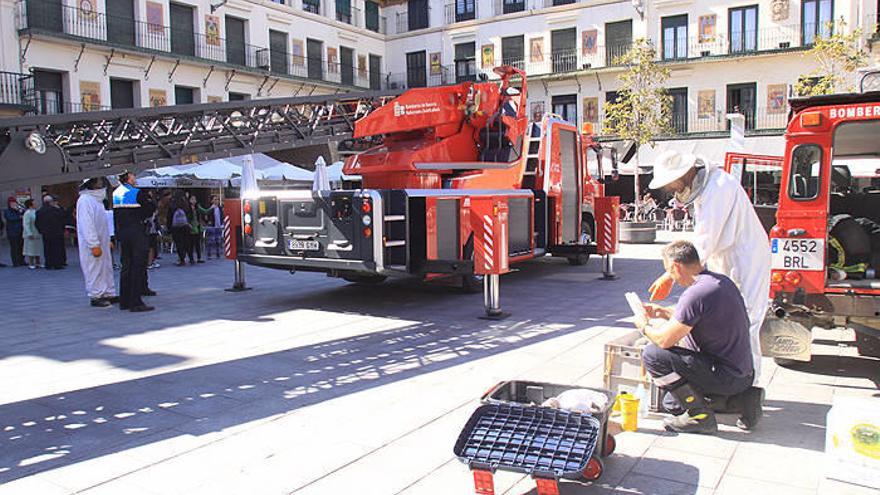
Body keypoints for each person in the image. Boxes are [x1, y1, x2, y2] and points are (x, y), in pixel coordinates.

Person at [647, 151, 771, 384]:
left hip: (745, 263)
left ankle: (749, 389)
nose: (671, 189)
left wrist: (669, 276)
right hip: (729, 261)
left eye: (670, 182)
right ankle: (732, 381)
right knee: (724, 320)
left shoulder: (719, 187)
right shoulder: (710, 188)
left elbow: (702, 243)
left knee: (746, 325)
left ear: (683, 173)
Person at [636, 241, 763, 434]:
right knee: (672, 403)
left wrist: (644, 327)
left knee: (653, 354)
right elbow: (700, 319)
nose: (672, 278)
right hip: (743, 373)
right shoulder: (720, 282)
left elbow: (664, 341)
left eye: (669, 271)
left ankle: (700, 417)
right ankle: (743, 399)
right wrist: (663, 312)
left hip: (724, 375)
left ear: (676, 266)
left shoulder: (695, 293)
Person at [113, 171, 156, 312]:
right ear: (128, 178)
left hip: (123, 232)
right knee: (138, 265)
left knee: (126, 265)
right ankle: (136, 302)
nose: (135, 178)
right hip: (136, 231)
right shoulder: (137, 192)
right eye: (133, 176)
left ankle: (124, 301)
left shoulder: (116, 193)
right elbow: (149, 209)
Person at [76, 178, 118, 307]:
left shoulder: (97, 201)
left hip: (102, 241)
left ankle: (108, 293)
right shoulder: (85, 201)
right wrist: (93, 244)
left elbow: (104, 222)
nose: (101, 184)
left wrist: (108, 239)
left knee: (106, 268)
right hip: (93, 244)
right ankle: (96, 295)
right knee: (94, 269)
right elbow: (86, 224)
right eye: (99, 181)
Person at [36, 195, 67, 269]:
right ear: (51, 202)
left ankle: (48, 264)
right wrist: (62, 229)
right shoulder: (56, 210)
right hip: (56, 232)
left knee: (47, 248)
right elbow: (62, 219)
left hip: (45, 232)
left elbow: (37, 222)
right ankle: (57, 264)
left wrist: (40, 230)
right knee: (56, 248)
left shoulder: (39, 211)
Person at [168, 194, 192, 266]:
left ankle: (182, 259)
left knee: (179, 243)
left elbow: (169, 217)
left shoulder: (172, 206)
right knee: (187, 242)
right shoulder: (186, 205)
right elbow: (190, 214)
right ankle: (191, 258)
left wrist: (169, 228)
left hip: (176, 228)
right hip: (185, 226)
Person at [22, 199, 43, 269]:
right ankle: (31, 263)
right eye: (34, 203)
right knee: (31, 249)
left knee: (37, 248)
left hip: (37, 232)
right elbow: (26, 224)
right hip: (31, 232)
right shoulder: (27, 213)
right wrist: (29, 233)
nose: (36, 204)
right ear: (30, 205)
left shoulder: (36, 212)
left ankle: (38, 262)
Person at [4, 197, 24, 266]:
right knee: (14, 248)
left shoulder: (18, 209)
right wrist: (19, 217)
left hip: (20, 231)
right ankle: (15, 262)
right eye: (12, 203)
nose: (14, 204)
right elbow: (11, 218)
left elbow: (24, 212)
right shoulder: (7, 211)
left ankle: (21, 261)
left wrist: (19, 209)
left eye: (14, 202)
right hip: (12, 232)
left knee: (20, 247)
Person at [187, 195, 206, 264]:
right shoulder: (187, 208)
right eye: (192, 199)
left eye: (195, 199)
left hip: (197, 227)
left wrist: (211, 208)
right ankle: (191, 258)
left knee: (198, 243)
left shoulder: (197, 207)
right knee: (191, 244)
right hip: (190, 227)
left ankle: (199, 257)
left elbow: (205, 211)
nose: (194, 201)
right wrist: (188, 224)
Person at [204, 195, 223, 260]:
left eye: (217, 199)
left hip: (218, 226)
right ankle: (209, 254)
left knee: (218, 241)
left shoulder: (220, 208)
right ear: (212, 201)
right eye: (215, 199)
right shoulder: (210, 208)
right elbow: (206, 216)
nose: (216, 201)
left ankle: (218, 254)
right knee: (210, 240)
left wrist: (222, 223)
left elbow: (222, 216)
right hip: (212, 226)